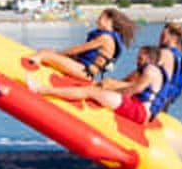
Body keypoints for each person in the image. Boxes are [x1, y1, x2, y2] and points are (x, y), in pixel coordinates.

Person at [28, 46, 170, 125]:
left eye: (140, 58)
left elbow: (134, 90)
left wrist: (111, 94)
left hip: (138, 111)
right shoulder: (157, 72)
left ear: (150, 58)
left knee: (90, 92)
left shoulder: (150, 70)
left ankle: (41, 89)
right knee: (99, 90)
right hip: (141, 111)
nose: (137, 61)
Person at [28, 8, 137, 81]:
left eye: (100, 18)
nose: (97, 20)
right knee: (47, 52)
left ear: (109, 21)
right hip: (84, 70)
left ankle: (27, 68)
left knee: (45, 54)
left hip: (84, 72)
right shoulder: (108, 37)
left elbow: (79, 49)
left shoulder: (105, 38)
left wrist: (59, 54)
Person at [158, 22, 182, 112]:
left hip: (161, 98)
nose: (159, 39)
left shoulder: (166, 54)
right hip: (168, 98)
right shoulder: (178, 56)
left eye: (163, 36)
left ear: (173, 37)